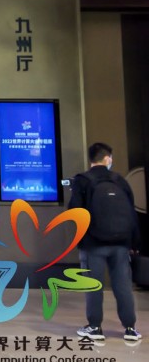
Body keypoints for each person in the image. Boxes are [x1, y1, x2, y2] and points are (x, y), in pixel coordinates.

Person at [70, 142, 141, 342]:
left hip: (93, 244)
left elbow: (75, 211)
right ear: (108, 158)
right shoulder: (120, 180)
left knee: (93, 286)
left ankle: (95, 327)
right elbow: (131, 213)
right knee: (123, 286)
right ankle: (130, 329)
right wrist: (134, 243)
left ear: (91, 159)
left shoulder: (82, 180)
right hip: (121, 243)